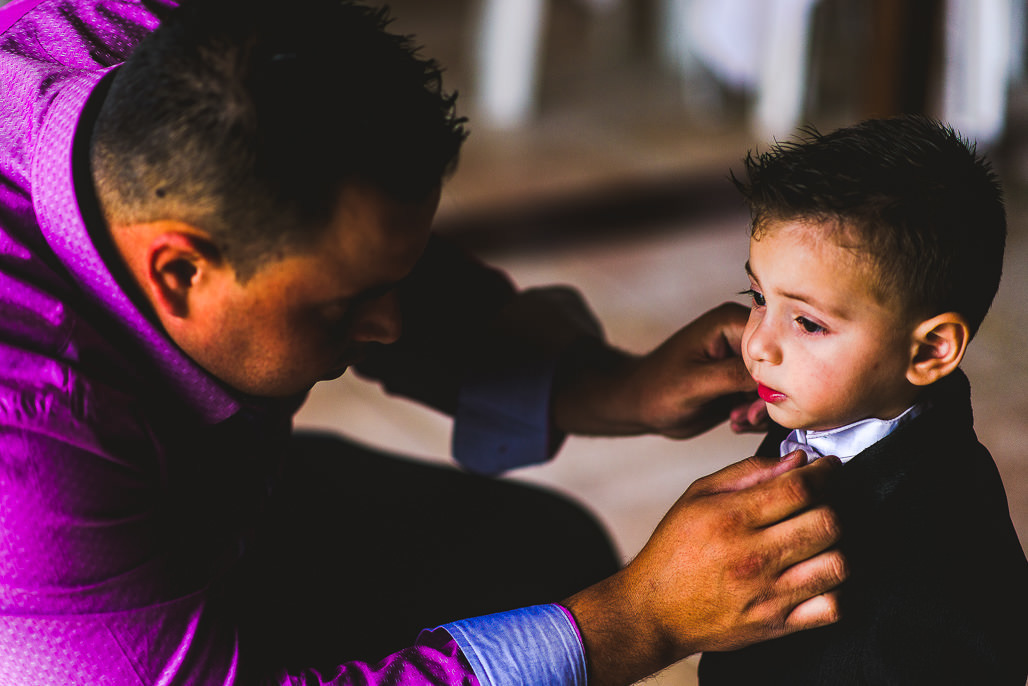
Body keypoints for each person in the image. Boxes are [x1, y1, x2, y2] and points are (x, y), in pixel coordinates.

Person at [0, 0, 847, 683]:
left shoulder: (176, 49)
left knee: (539, 553)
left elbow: (344, 244)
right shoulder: (28, 454)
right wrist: (638, 622)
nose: (391, 328)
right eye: (345, 310)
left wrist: (604, 385)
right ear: (179, 272)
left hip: (206, 503)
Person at [698, 116, 1028, 685]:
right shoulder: (851, 409)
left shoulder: (930, 568)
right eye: (756, 296)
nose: (757, 344)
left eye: (807, 322)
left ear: (929, 351)